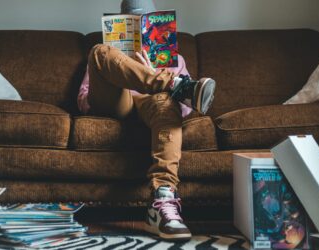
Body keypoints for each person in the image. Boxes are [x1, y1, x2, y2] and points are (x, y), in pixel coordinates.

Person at [77, 0, 216, 240]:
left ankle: (162, 200)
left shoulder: (175, 58)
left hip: (154, 104)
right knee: (99, 51)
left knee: (167, 100)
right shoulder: (110, 53)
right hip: (117, 102)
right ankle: (173, 84)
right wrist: (133, 75)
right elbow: (83, 99)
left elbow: (184, 111)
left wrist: (153, 73)